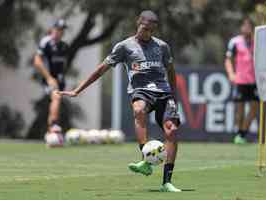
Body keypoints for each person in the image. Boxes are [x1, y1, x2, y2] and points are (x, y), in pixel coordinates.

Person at [58, 10, 181, 192]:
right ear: (138, 23)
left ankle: (167, 182)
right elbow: (101, 69)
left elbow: (170, 70)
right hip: (141, 91)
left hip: (163, 92)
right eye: (144, 28)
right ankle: (146, 161)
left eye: (151, 30)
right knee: (139, 110)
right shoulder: (124, 47)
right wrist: (77, 90)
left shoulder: (162, 46)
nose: (147, 33)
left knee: (172, 131)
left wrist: (173, 94)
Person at [224, 17, 258, 144]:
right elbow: (228, 59)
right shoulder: (235, 42)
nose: (246, 28)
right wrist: (231, 73)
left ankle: (242, 133)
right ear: (241, 28)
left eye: (249, 26)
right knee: (240, 110)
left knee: (254, 109)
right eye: (244, 26)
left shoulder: (257, 41)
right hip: (241, 80)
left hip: (255, 81)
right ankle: (239, 135)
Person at [33, 19, 69, 133]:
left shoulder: (64, 46)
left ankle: (51, 133)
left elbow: (63, 65)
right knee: (56, 97)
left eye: (62, 30)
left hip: (59, 79)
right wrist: (49, 78)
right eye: (58, 29)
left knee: (56, 102)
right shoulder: (46, 42)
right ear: (52, 29)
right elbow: (37, 61)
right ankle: (53, 125)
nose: (60, 32)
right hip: (49, 78)